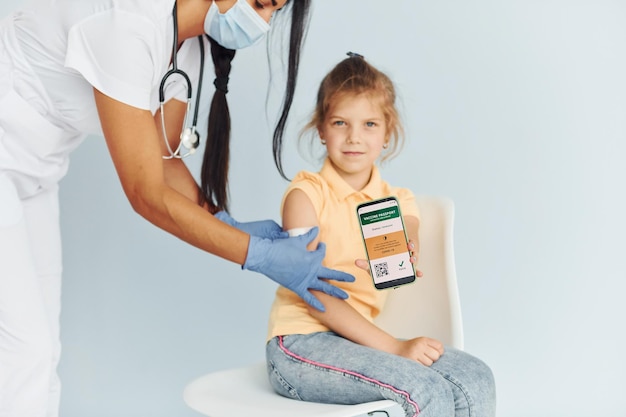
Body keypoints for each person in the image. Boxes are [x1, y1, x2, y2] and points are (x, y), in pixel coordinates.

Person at [0, 1, 356, 416]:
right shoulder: (129, 24)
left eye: (273, 12)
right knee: (27, 350)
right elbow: (145, 193)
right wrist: (253, 253)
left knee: (42, 350)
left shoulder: (184, 49)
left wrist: (228, 224)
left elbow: (164, 158)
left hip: (33, 176)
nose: (261, 22)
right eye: (260, 4)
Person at [265, 53, 497, 417]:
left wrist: (409, 250)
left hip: (359, 343)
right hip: (300, 343)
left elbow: (410, 229)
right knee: (422, 388)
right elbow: (312, 294)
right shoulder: (306, 195)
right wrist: (395, 347)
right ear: (322, 130)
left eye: (370, 124)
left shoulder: (395, 200)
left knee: (476, 378)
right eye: (340, 122)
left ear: (387, 133)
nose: (354, 137)